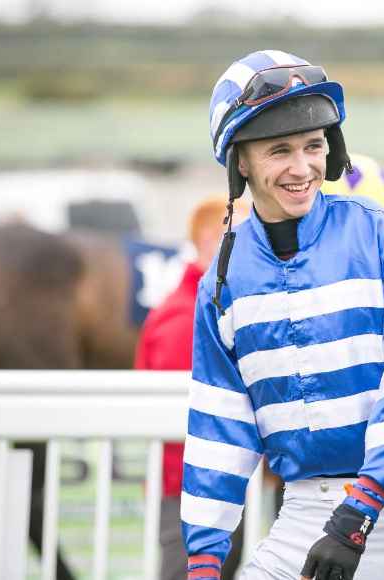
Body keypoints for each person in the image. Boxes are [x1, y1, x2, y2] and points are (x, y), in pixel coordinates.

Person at [180, 50, 384, 580]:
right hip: (302, 512)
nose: (302, 168)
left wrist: (356, 516)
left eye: (313, 146)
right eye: (279, 150)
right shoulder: (223, 275)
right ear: (241, 161)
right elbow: (219, 422)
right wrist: (205, 559)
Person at [134, 196, 248, 580]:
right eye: (244, 234)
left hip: (203, 485)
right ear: (208, 238)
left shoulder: (198, 305)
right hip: (192, 489)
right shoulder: (187, 314)